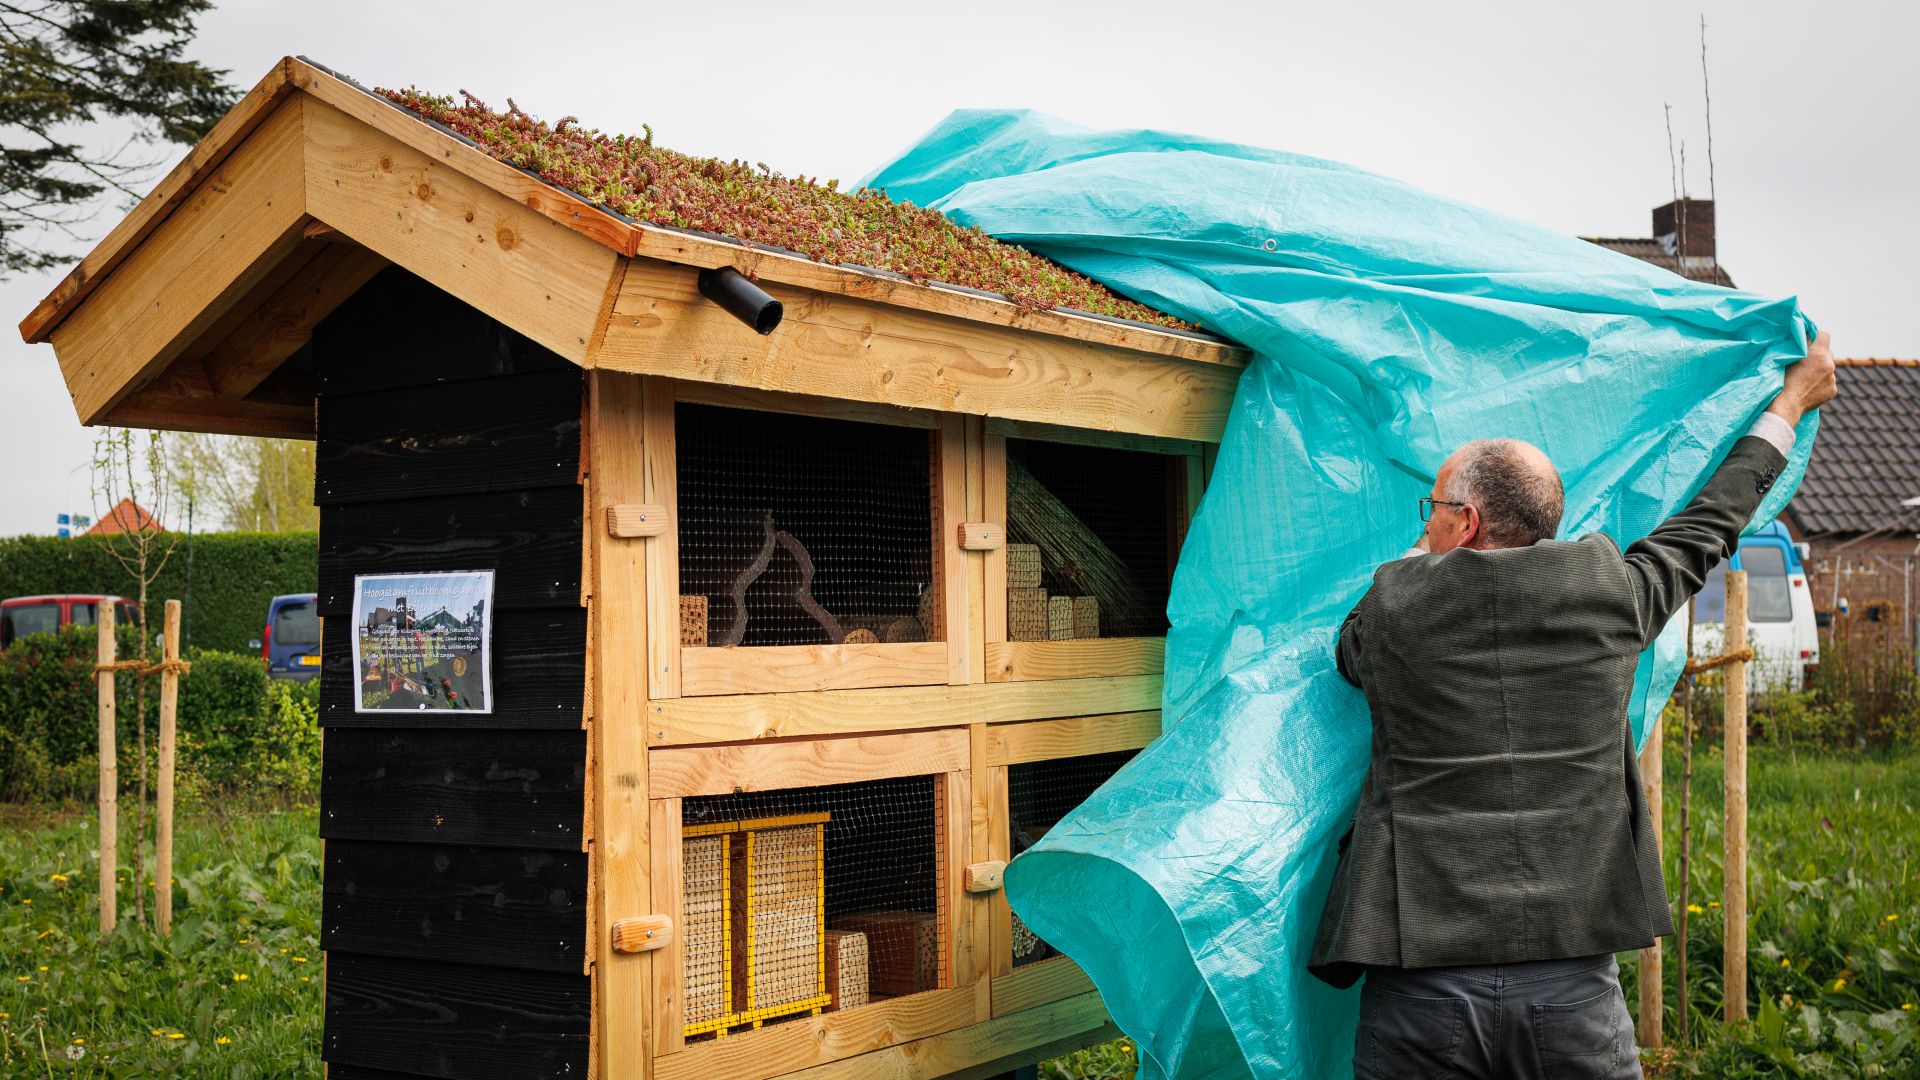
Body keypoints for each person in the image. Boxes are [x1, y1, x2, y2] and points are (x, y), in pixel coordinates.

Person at [1310, 333, 1838, 1080]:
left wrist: (1415, 565)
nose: (1424, 523)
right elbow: (1714, 520)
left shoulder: (1392, 607)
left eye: (1431, 509)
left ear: (1464, 523)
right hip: (1575, 993)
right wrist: (1789, 401)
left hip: (1419, 988)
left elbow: (1346, 654)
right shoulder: (1616, 593)